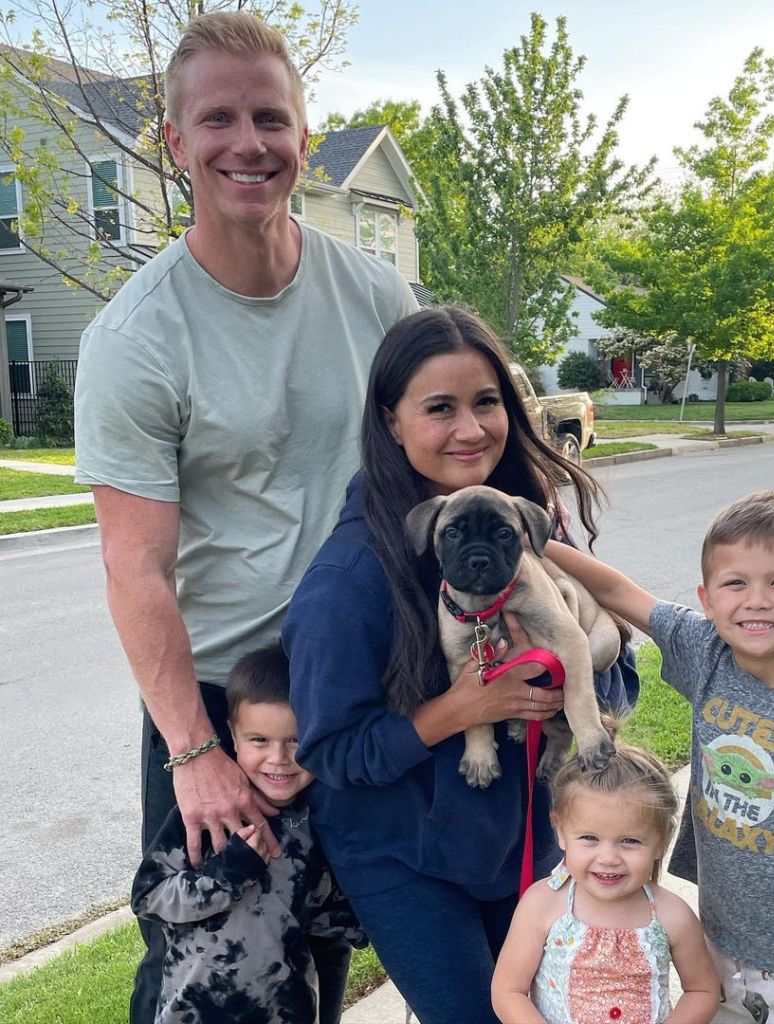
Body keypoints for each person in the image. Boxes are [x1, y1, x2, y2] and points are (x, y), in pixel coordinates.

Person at [72, 12, 419, 1022]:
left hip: (366, 690)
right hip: (228, 711)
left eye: (271, 116)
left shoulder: (378, 293)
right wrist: (194, 752)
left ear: (305, 135)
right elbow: (134, 568)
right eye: (216, 119)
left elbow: (443, 470)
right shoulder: (136, 336)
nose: (248, 142)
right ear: (176, 145)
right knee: (203, 976)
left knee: (321, 958)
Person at [282, 305, 639, 1024]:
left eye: (486, 402)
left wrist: (573, 673)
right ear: (391, 421)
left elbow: (618, 680)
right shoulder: (350, 579)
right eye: (439, 408)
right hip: (406, 858)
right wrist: (463, 709)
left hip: (521, 837)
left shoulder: (523, 526)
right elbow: (329, 752)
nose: (471, 429)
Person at [545, 491, 774, 1024]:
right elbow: (613, 589)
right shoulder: (708, 656)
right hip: (716, 945)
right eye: (736, 583)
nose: (757, 600)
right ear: (707, 598)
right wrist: (533, 538)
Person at [132, 642, 365, 1024]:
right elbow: (149, 897)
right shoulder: (206, 818)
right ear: (233, 737)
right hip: (196, 1011)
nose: (279, 758)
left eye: (295, 740)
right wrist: (225, 875)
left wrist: (364, 921)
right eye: (260, 740)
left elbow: (318, 910)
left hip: (285, 1009)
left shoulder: (314, 823)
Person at [491, 736, 720, 1024]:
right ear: (560, 831)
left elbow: (702, 990)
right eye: (589, 838)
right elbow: (508, 990)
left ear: (662, 840)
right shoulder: (544, 905)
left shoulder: (671, 915)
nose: (608, 857)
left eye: (629, 841)